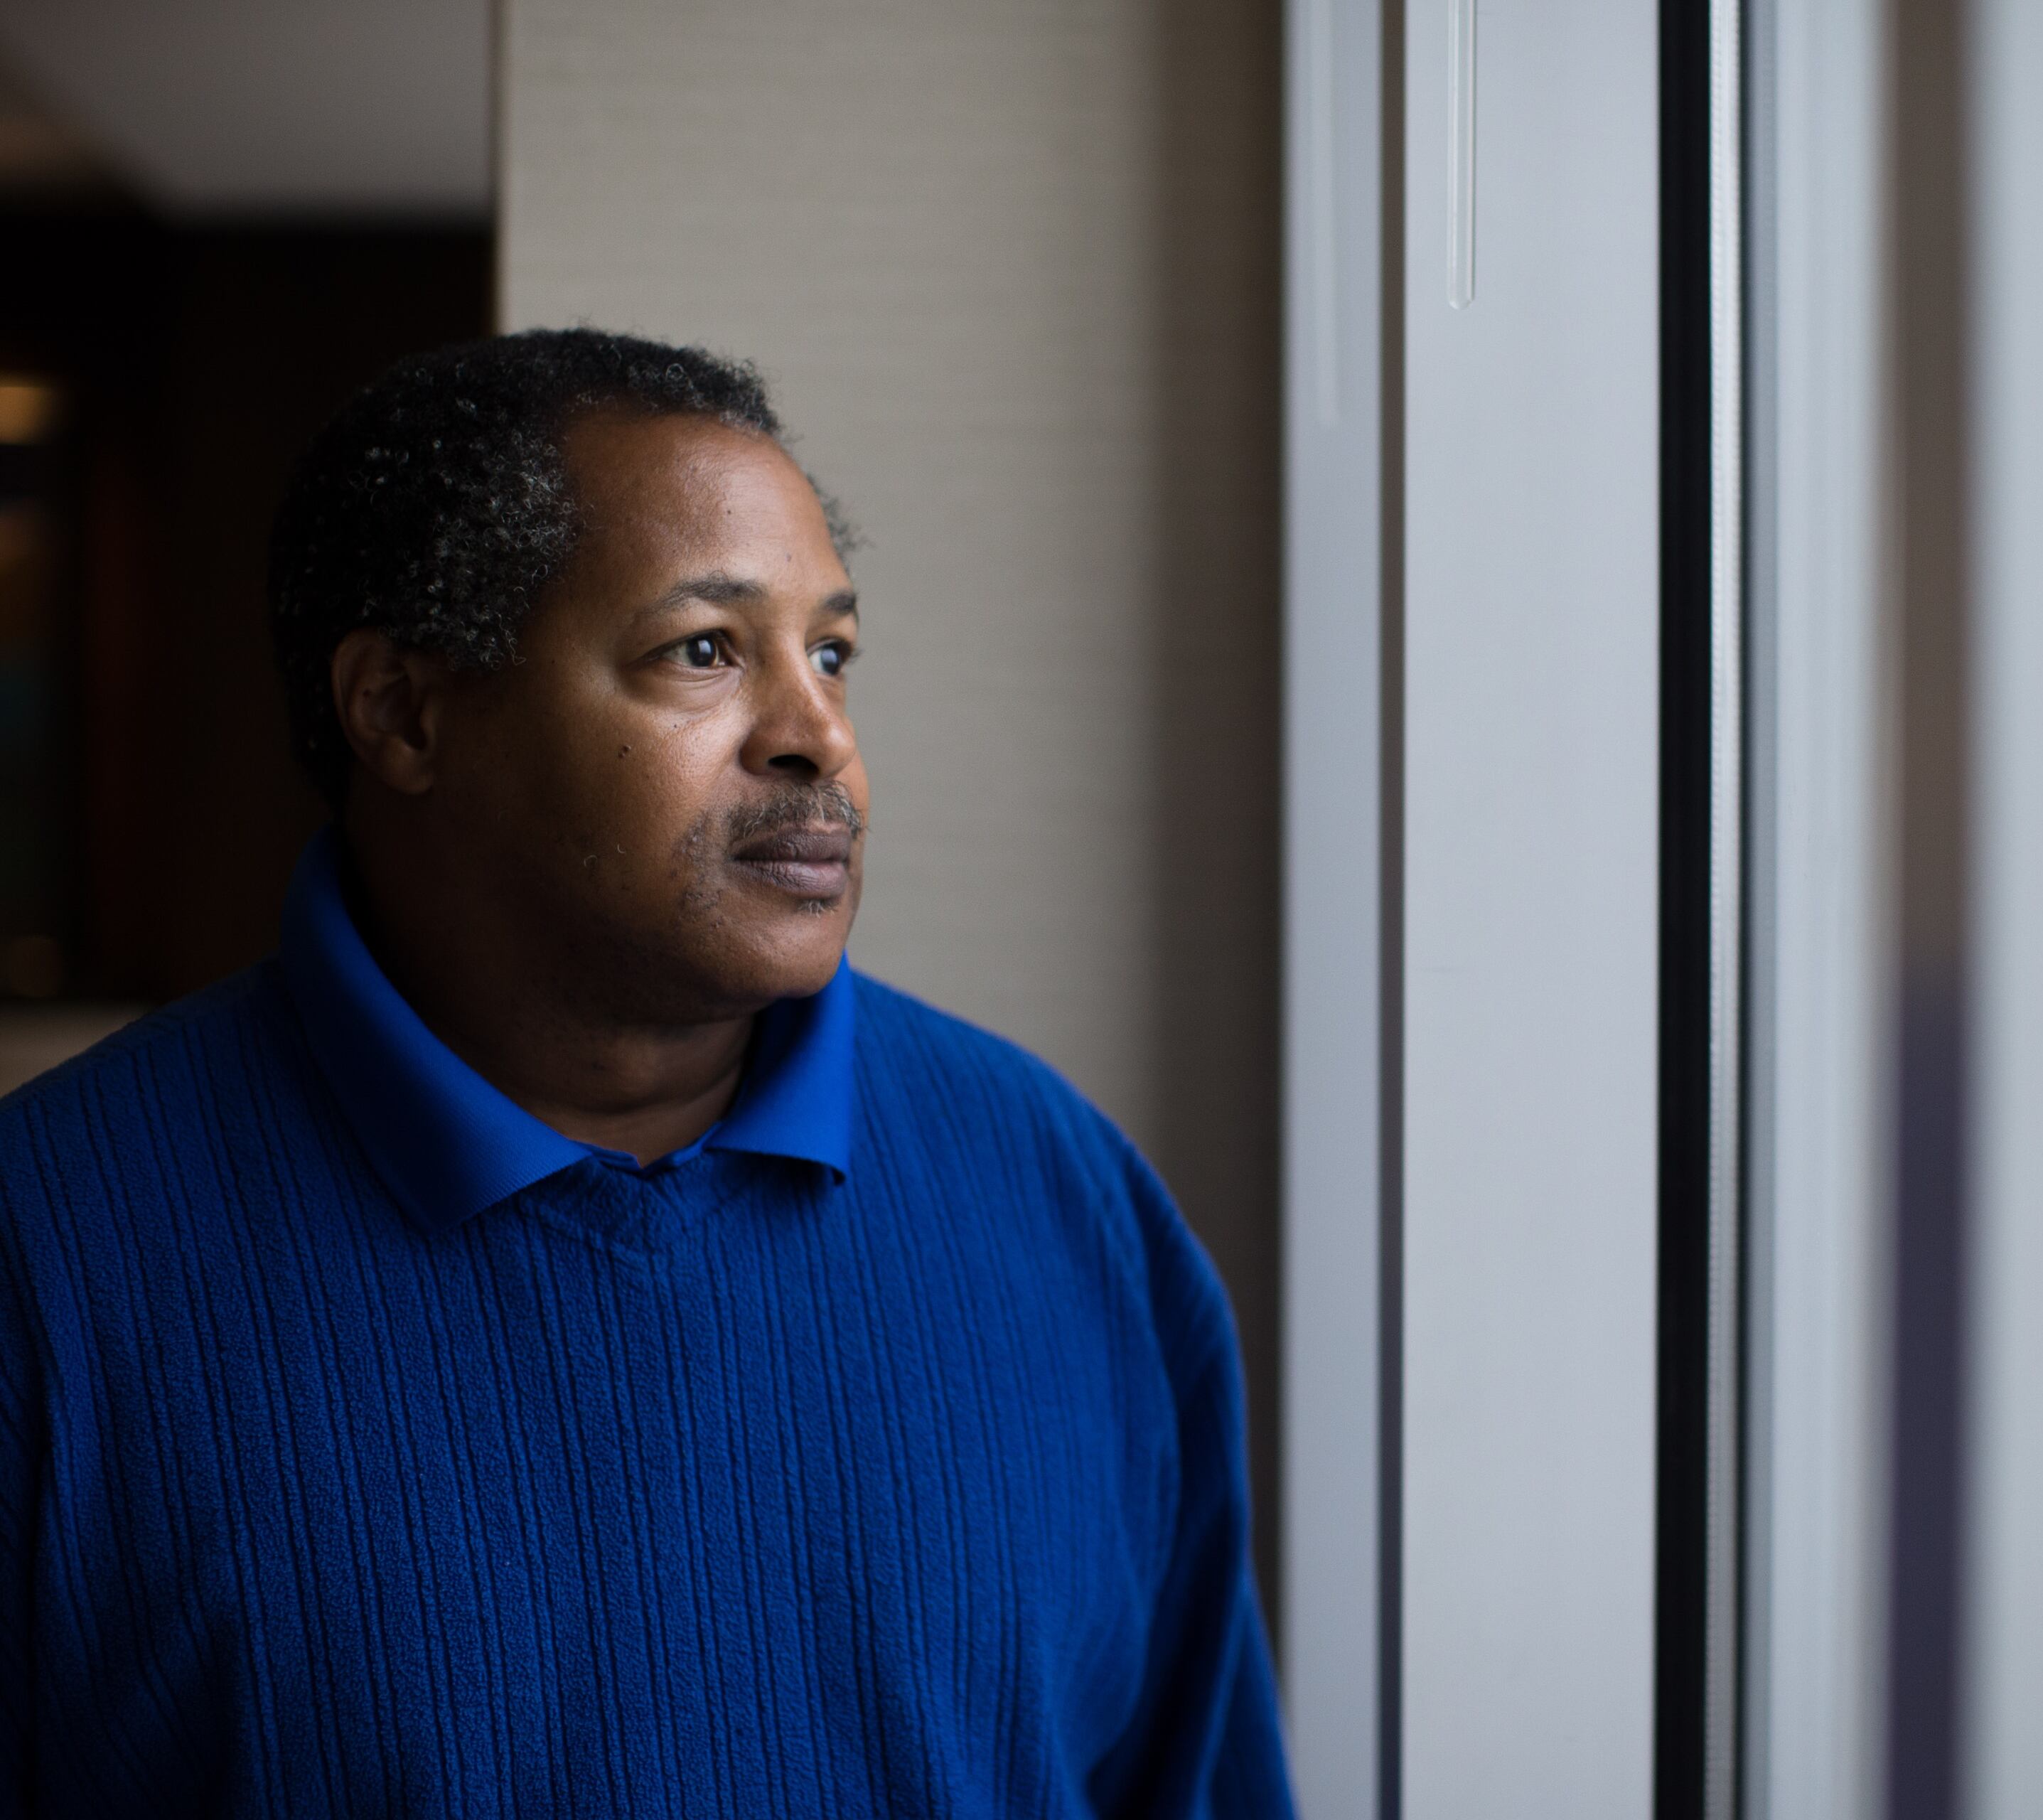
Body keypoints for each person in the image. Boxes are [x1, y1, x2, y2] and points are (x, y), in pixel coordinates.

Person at [0, 328, 1296, 1818]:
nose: (821, 740)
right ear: (405, 712)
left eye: (831, 653)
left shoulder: (1065, 1194)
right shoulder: (49, 1252)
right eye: (704, 650)